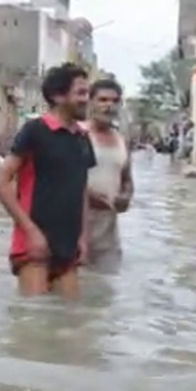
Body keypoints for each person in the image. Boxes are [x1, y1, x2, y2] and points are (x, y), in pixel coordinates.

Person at [0, 62, 94, 298]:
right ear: (58, 96)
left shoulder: (82, 138)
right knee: (34, 322)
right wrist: (30, 231)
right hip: (33, 244)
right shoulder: (35, 131)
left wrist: (82, 238)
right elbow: (1, 182)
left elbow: (82, 191)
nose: (86, 99)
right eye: (80, 93)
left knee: (71, 323)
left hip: (68, 245)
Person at [84, 78, 133, 273]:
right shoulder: (78, 135)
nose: (108, 106)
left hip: (108, 230)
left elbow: (127, 179)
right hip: (75, 224)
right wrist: (89, 195)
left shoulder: (122, 140)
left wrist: (126, 196)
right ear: (91, 103)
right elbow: (61, 177)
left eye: (114, 101)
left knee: (105, 288)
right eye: (102, 100)